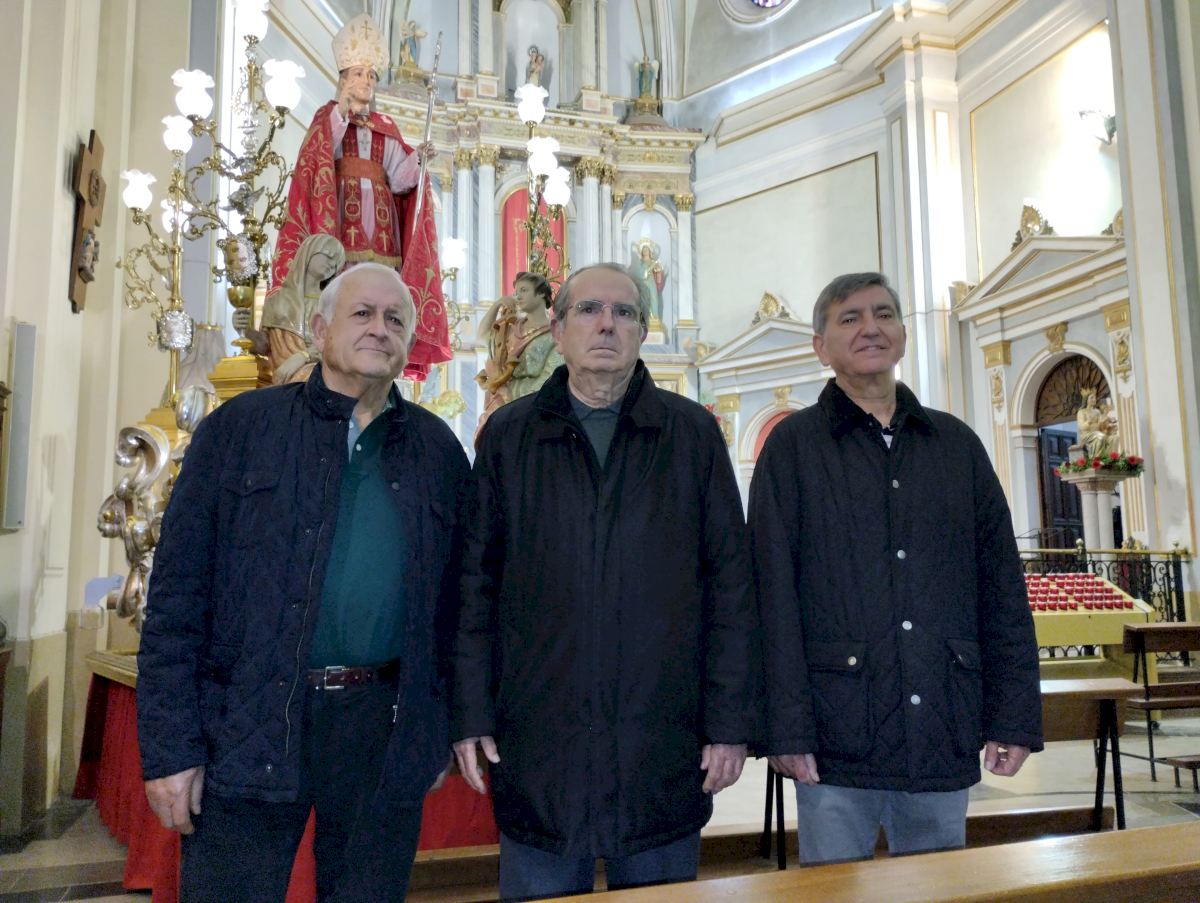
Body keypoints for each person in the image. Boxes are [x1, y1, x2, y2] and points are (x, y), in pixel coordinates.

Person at [137, 262, 470, 903]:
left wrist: (434, 731)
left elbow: (458, 609)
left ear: (410, 340)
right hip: (250, 721)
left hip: (381, 729)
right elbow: (176, 600)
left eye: (395, 319)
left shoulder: (436, 451)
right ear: (318, 330)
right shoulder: (240, 430)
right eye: (362, 314)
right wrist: (170, 749)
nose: (379, 328)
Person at [453, 263, 756, 900]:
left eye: (624, 313)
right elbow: (475, 586)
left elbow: (730, 586)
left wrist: (729, 722)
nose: (607, 325)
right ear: (556, 331)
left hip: (661, 740)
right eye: (589, 310)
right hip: (539, 742)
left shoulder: (691, 434)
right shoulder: (509, 435)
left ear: (643, 332)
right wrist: (471, 712)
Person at [749, 272, 1043, 866]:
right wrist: (785, 729)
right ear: (821, 346)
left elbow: (1001, 589)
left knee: (940, 888)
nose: (871, 328)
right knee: (835, 892)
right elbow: (770, 598)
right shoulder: (793, 448)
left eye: (884, 314)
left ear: (903, 335)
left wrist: (1013, 716)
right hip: (835, 731)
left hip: (942, 718)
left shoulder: (956, 444)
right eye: (850, 318)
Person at [271, 13, 449, 381]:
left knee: (380, 292)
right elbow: (320, 155)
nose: (366, 81)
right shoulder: (329, 118)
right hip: (343, 221)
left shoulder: (386, 126)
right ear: (343, 79)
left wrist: (418, 160)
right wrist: (341, 109)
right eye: (358, 74)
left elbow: (400, 180)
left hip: (382, 228)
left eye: (371, 76)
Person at [474, 271, 563, 439]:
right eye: (516, 291)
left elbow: (550, 378)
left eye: (524, 290)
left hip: (530, 411)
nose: (517, 296)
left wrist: (511, 397)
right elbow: (482, 337)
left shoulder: (554, 336)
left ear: (541, 293)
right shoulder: (508, 330)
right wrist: (496, 305)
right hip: (498, 407)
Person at [260, 233, 346, 384]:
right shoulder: (277, 300)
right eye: (329, 256)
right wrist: (245, 329)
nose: (331, 265)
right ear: (309, 252)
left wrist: (303, 357)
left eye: (336, 264)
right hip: (282, 375)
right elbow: (263, 346)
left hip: (320, 372)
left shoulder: (333, 305)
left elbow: (339, 347)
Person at [631, 240, 665, 323]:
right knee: (643, 300)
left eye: (647, 250)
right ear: (641, 252)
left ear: (650, 251)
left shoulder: (654, 262)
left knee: (653, 299)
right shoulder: (639, 263)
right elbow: (637, 274)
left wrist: (659, 272)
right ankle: (643, 318)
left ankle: (654, 318)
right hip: (642, 284)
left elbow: (659, 279)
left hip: (651, 283)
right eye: (644, 250)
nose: (645, 251)